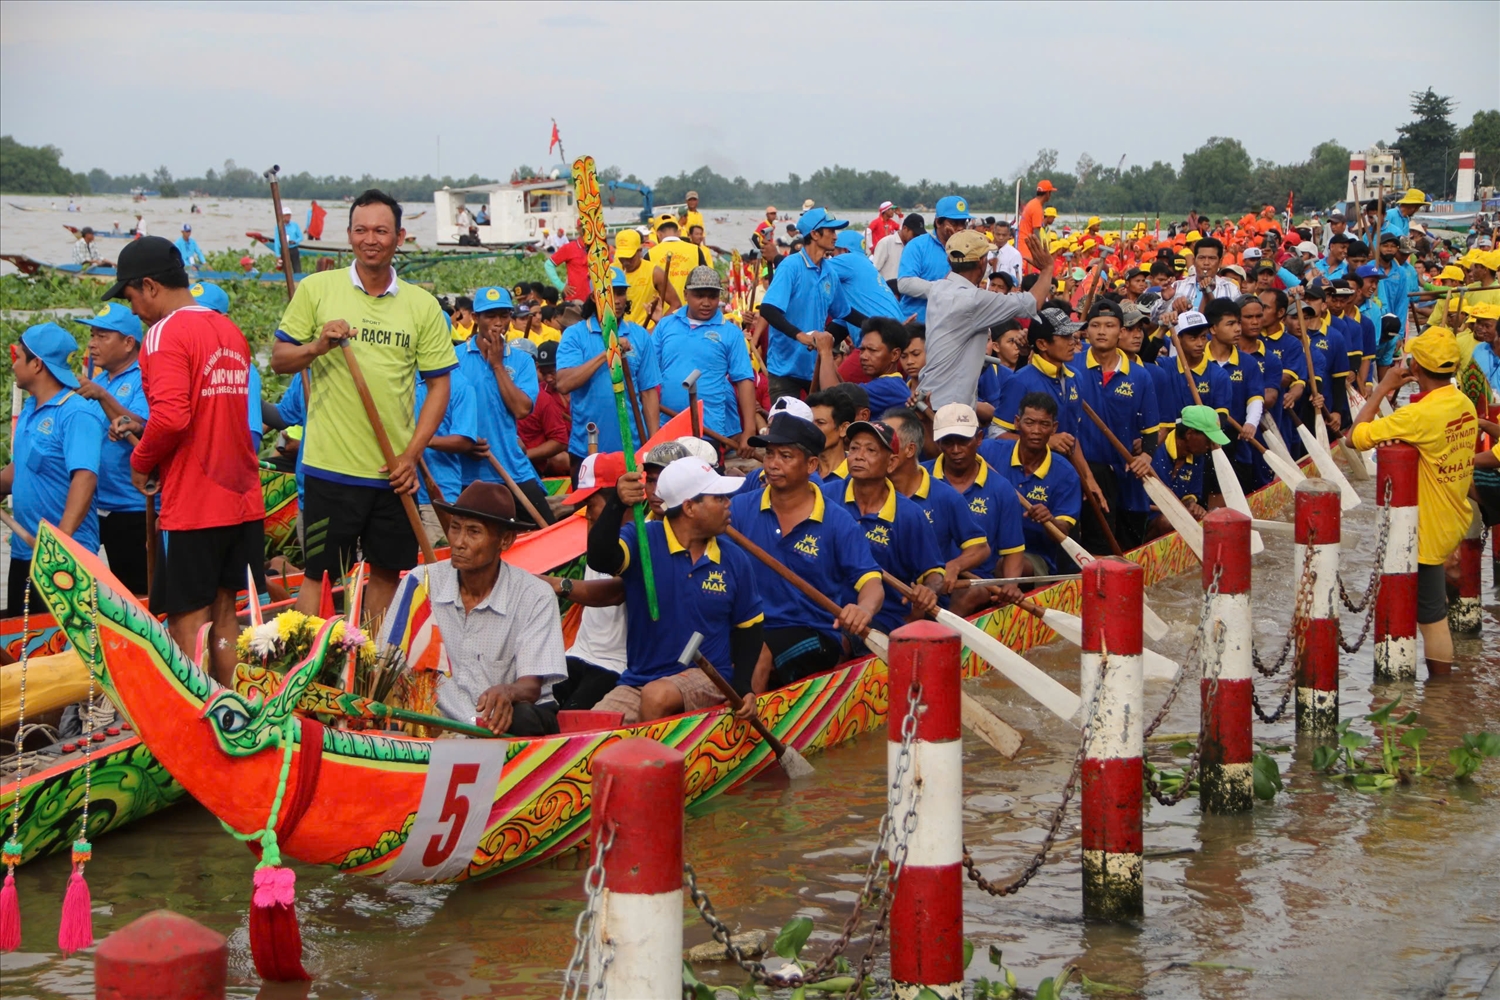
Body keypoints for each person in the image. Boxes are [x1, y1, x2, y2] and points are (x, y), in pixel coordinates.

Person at [272, 190, 458, 620]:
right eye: (361, 230)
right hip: (329, 469)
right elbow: (281, 359)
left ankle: (371, 671)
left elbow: (439, 387)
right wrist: (319, 346)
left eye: (380, 230)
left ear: (399, 238)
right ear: (349, 235)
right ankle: (310, 670)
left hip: (393, 474)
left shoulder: (422, 305)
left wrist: (411, 457)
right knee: (319, 575)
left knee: (388, 574)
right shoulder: (318, 289)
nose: (369, 239)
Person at [106, 238, 263, 684]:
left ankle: (196, 719)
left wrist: (140, 460)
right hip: (241, 498)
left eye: (131, 296)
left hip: (195, 502)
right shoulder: (228, 330)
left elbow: (172, 417)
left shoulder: (164, 333)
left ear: (150, 286)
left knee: (186, 621)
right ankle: (231, 704)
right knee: (225, 613)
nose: (132, 309)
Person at [588, 457, 766, 720]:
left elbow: (749, 628)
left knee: (657, 696)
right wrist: (617, 502)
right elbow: (600, 558)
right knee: (592, 727)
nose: (729, 504)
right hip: (639, 680)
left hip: (709, 678)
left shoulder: (734, 559)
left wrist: (743, 687)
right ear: (690, 507)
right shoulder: (642, 539)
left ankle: (654, 759)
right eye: (719, 498)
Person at [1350, 328, 1475, 675]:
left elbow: (1354, 437)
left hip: (1426, 530)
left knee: (1432, 619)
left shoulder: (1416, 416)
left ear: (1415, 366)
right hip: (1454, 516)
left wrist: (1385, 387)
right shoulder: (1461, 402)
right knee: (1432, 608)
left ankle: (1440, 697)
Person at [728, 411, 883, 684]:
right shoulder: (739, 509)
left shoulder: (837, 521)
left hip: (815, 631)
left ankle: (745, 726)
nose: (773, 464)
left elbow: (871, 583)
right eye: (769, 454)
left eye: (785, 456)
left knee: (759, 653)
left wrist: (864, 610)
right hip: (749, 625)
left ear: (811, 464)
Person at [411, 483, 564, 736]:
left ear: (505, 540)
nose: (458, 542)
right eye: (455, 528)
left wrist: (507, 691)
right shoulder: (420, 584)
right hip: (439, 721)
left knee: (522, 717)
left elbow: (531, 687)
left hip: (503, 724)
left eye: (473, 532)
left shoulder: (534, 595)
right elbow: (389, 660)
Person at [0, 323, 105, 616]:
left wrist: (61, 539)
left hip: (65, 557)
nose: (13, 365)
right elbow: (21, 468)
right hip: (26, 551)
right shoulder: (31, 409)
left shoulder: (76, 413)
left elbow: (85, 476)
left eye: (18, 357)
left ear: (37, 364)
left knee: (62, 650)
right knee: (24, 643)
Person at [823, 419, 943, 636]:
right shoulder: (824, 497)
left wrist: (928, 590)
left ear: (891, 463)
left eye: (871, 450)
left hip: (883, 617)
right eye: (854, 448)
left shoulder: (909, 515)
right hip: (824, 608)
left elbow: (934, 572)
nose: (859, 456)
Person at [892, 405, 1013, 614]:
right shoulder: (914, 478)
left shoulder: (1001, 489)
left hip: (972, 580)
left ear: (979, 439)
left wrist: (1010, 590)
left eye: (964, 441)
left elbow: (1009, 552)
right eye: (948, 442)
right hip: (919, 578)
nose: (956, 450)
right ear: (938, 443)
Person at [921, 231, 1054, 409]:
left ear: (948, 261)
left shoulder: (938, 288)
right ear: (982, 262)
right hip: (949, 405)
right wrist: (1047, 269)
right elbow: (1033, 302)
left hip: (929, 396)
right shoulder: (973, 300)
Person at [73, 303, 150, 596]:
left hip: (131, 508)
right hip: (96, 506)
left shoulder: (144, 378)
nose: (92, 344)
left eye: (102, 336)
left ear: (129, 342)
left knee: (137, 593)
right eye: (92, 335)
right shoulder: (99, 379)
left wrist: (103, 397)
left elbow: (143, 426)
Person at [458, 286, 554, 521]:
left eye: (503, 315)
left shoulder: (521, 361)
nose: (497, 322)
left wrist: (498, 365)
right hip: (465, 472)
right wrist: (463, 442)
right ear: (476, 318)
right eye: (490, 316)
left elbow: (521, 409)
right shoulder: (455, 358)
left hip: (512, 467)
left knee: (544, 529)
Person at [1073, 300, 1158, 551]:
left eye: (1109, 325)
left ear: (1120, 332)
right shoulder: (1070, 368)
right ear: (1086, 331)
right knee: (1096, 551)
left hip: (1128, 479)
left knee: (1129, 550)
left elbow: (1151, 431)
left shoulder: (1140, 376)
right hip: (1086, 479)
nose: (1101, 331)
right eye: (1096, 325)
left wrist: (1146, 456)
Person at [548, 452, 629, 710]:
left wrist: (558, 585)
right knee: (531, 703)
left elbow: (613, 593)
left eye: (591, 504)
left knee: (571, 715)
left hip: (617, 665)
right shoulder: (591, 535)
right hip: (577, 654)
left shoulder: (641, 540)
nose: (586, 513)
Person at [557, 267, 660, 466]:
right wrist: (608, 353)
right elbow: (563, 384)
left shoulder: (639, 336)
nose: (618, 299)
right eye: (610, 293)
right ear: (595, 297)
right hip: (587, 450)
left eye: (621, 292)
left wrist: (654, 443)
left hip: (634, 448)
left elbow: (648, 393)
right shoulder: (575, 335)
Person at [652, 266, 758, 451]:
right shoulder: (665, 325)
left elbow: (744, 381)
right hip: (668, 426)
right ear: (686, 294)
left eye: (712, 296)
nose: (706, 302)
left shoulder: (730, 332)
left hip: (708, 430)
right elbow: (649, 371)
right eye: (699, 295)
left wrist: (749, 430)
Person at [984, 392, 1082, 574]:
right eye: (1029, 423)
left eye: (1044, 424)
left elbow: (1063, 533)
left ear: (1054, 428)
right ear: (1016, 422)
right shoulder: (988, 452)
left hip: (1033, 556)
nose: (1036, 431)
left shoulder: (1066, 474)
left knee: (1008, 567)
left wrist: (1050, 520)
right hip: (986, 550)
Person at [760, 207, 853, 400]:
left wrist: (882, 326)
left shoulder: (830, 272)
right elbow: (768, 310)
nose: (835, 237)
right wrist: (800, 336)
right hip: (784, 368)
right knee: (786, 425)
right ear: (815, 234)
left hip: (814, 366)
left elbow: (845, 313)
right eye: (831, 231)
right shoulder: (790, 266)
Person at [412, 351, 480, 547]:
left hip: (438, 491)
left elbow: (465, 441)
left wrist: (421, 440)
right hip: (397, 490)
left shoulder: (459, 385)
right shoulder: (405, 376)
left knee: (436, 559)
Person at [1147, 406, 1221, 536]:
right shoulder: (1155, 451)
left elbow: (1191, 494)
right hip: (1144, 519)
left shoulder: (1198, 456)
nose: (1210, 446)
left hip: (1176, 516)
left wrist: (1192, 506)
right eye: (1208, 440)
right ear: (1189, 434)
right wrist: (1174, 510)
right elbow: (1137, 503)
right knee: (1167, 522)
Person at [896, 195, 970, 322]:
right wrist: (942, 291)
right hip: (917, 325)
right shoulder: (917, 245)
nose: (960, 228)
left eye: (963, 223)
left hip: (950, 325)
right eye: (953, 223)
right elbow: (905, 283)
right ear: (938, 222)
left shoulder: (968, 250)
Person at [825, 228, 902, 342]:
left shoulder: (849, 259)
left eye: (833, 254)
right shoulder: (867, 266)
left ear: (844, 251)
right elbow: (841, 325)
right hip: (895, 330)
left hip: (880, 338)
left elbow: (815, 271)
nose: (832, 258)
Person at [1152, 237, 1240, 328]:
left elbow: (1238, 322)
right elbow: (1155, 320)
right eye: (1201, 258)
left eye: (1212, 258)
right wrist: (1165, 301)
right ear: (1194, 261)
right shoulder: (1178, 286)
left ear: (1220, 262)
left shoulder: (1231, 289)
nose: (1206, 263)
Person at [518, 340, 571, 477]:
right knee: (560, 459)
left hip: (582, 448)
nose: (548, 378)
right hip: (544, 459)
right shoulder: (538, 394)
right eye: (544, 373)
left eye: (552, 372)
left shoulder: (582, 390)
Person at [614, 228, 679, 325]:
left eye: (630, 257)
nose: (625, 261)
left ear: (640, 250)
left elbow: (676, 304)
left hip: (645, 332)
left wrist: (657, 328)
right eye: (622, 257)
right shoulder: (611, 271)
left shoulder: (655, 272)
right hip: (618, 333)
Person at [648, 217, 711, 303]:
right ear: (679, 232)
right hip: (691, 310)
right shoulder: (695, 250)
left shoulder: (651, 254)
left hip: (663, 313)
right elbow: (706, 278)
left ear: (658, 234)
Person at [806, 387, 854, 479]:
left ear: (843, 428)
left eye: (820, 423)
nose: (812, 429)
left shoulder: (856, 472)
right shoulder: (801, 471)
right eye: (809, 422)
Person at [873, 213, 920, 289]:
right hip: (887, 291)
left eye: (918, 236)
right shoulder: (886, 243)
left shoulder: (915, 247)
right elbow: (874, 270)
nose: (916, 238)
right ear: (905, 228)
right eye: (914, 234)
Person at [1017, 180, 1056, 270]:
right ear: (1048, 193)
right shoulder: (1037, 207)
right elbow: (1036, 232)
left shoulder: (1032, 203)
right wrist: (1041, 252)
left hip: (1023, 243)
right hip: (1027, 247)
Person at [547, 231, 591, 302]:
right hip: (576, 301)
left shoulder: (600, 248)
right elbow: (548, 265)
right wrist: (561, 285)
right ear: (578, 228)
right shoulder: (569, 248)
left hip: (597, 300)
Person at [272, 206, 302, 273]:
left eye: (289, 215)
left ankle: (298, 279)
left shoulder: (295, 225)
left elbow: (300, 237)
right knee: (286, 269)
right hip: (284, 249)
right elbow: (277, 241)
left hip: (293, 248)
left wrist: (295, 241)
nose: (288, 217)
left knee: (297, 267)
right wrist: (278, 254)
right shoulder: (278, 226)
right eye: (286, 215)